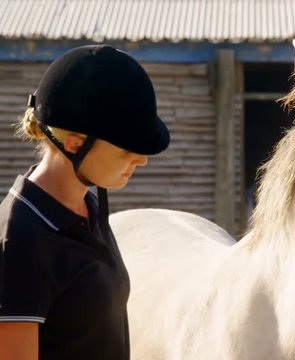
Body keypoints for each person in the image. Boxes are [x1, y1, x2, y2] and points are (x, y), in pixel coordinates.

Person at [0, 45, 170, 359]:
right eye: (126, 149)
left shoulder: (88, 208)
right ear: (75, 144)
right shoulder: (21, 240)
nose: (142, 160)